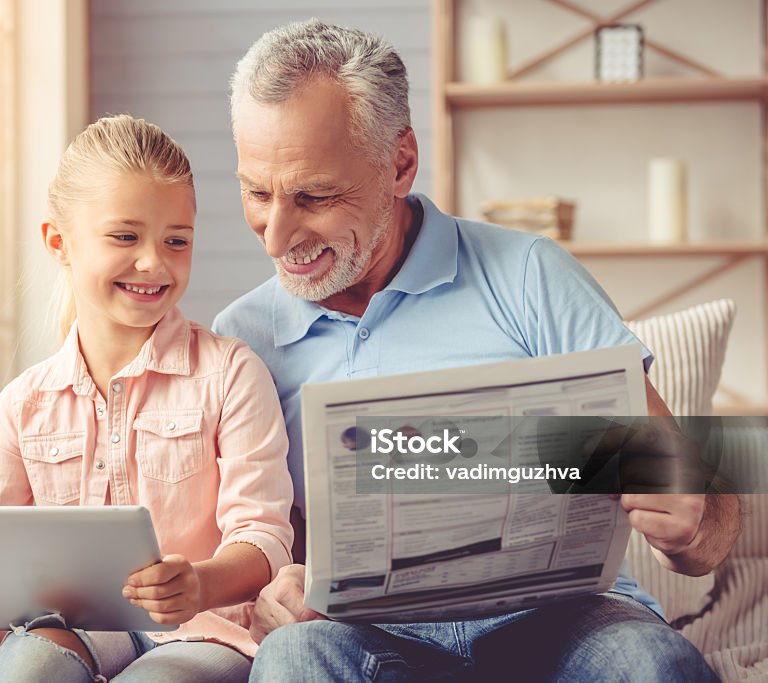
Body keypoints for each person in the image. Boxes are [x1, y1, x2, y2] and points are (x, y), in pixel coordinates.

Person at [212, 19, 741, 682]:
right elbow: (247, 544)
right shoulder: (240, 339)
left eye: (313, 196)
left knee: (650, 662)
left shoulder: (528, 274)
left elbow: (707, 516)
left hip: (565, 620)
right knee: (292, 660)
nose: (276, 234)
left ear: (399, 163)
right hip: (368, 637)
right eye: (256, 192)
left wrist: (694, 522)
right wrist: (266, 595)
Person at [0, 115, 294, 683]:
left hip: (205, 630)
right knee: (28, 668)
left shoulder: (230, 373)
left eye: (176, 240)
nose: (154, 261)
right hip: (69, 626)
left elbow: (265, 537)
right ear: (59, 241)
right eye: (125, 237)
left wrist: (199, 582)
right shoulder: (24, 403)